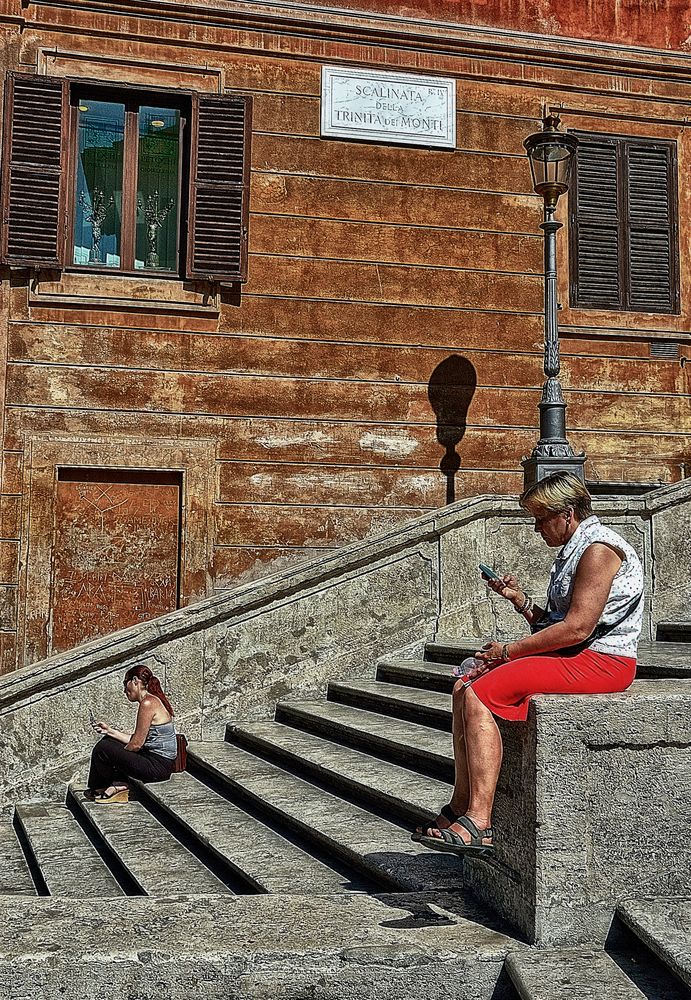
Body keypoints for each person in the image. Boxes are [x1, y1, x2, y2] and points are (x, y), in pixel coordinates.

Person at [414, 471, 644, 855]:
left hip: (603, 661)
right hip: (577, 653)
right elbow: (558, 625)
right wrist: (519, 600)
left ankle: (480, 821)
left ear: (566, 514)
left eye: (541, 518)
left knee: (482, 693)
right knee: (463, 685)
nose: (537, 528)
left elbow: (577, 628)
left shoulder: (600, 550)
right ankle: (459, 804)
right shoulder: (577, 548)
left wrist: (509, 651)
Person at [86, 664, 178, 803]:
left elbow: (136, 745)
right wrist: (109, 731)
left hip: (159, 766)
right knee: (108, 741)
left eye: (125, 684)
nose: (124, 690)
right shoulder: (150, 701)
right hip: (154, 759)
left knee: (104, 748)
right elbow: (137, 739)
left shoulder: (148, 703)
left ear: (135, 681)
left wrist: (120, 756)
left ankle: (110, 785)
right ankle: (109, 785)